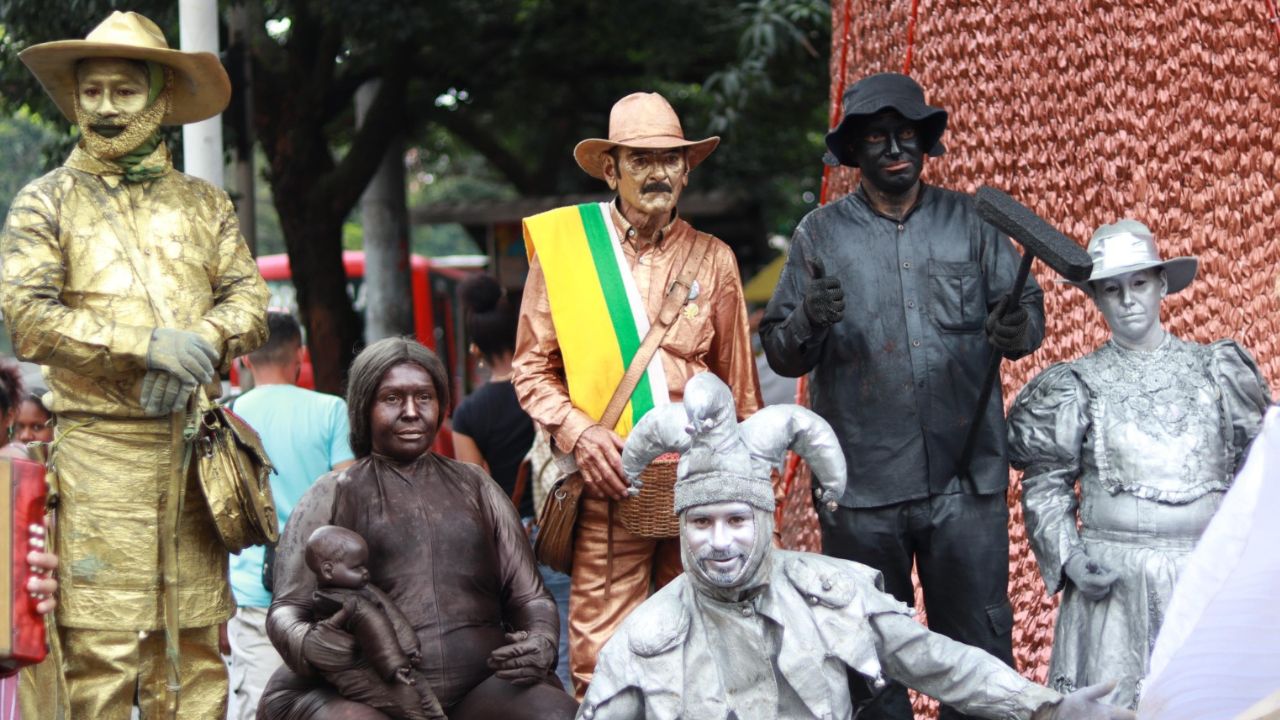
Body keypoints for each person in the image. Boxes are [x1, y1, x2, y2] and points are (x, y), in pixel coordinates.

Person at [580, 372, 1132, 720]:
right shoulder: (647, 638)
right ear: (681, 525)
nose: (719, 543)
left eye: (735, 519)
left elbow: (941, 663)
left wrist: (1049, 709)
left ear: (766, 518)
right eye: (701, 523)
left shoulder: (830, 595)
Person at [0, 11, 269, 717]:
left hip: (190, 463)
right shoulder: (47, 201)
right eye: (93, 91)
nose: (107, 107)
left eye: (124, 89)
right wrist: (143, 345)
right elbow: (27, 318)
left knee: (199, 658)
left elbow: (250, 299)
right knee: (102, 659)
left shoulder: (205, 204)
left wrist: (207, 338)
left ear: (160, 98)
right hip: (95, 458)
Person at [760, 71, 1044, 719]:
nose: (894, 149)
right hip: (861, 487)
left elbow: (1023, 312)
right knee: (867, 662)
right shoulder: (818, 236)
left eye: (906, 135)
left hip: (964, 479)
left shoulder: (971, 222)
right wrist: (810, 318)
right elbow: (781, 349)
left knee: (977, 649)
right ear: (852, 153)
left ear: (926, 144)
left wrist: (1016, 326)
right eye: (878, 138)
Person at [514, 91, 761, 697]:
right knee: (603, 658)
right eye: (641, 159)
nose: (659, 173)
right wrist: (582, 433)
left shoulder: (716, 259)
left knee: (714, 643)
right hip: (609, 479)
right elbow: (530, 370)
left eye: (671, 159)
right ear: (611, 168)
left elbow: (742, 393)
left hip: (700, 485)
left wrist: (749, 485)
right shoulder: (571, 254)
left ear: (686, 168)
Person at [1007, 220, 1270, 710]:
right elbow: (1047, 481)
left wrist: (1247, 562)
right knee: (1113, 709)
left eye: (1139, 283)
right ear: (1095, 299)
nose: (1127, 300)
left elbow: (1255, 472)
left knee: (1209, 703)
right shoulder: (1075, 385)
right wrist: (1070, 557)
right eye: (1111, 289)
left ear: (1162, 284)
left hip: (1205, 574)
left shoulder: (1218, 371)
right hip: (1113, 580)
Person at [259, 337, 577, 720]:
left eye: (424, 397)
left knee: (554, 714)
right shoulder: (331, 494)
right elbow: (286, 610)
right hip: (372, 692)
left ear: (441, 404)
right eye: (392, 399)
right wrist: (308, 643)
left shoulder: (477, 486)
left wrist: (541, 639)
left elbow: (531, 598)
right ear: (364, 407)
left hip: (484, 684)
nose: (411, 412)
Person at [226, 311, 354, 720]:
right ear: (299, 355)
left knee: (258, 706)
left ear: (245, 360)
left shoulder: (227, 417)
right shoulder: (331, 410)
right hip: (324, 593)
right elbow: (348, 495)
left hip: (252, 594)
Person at [452, 273, 573, 689]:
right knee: (578, 628)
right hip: (566, 526)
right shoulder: (552, 394)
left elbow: (476, 492)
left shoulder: (468, 415)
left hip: (513, 539)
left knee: (533, 635)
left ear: (477, 351)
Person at [304, 525, 446, 720]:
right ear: (328, 570)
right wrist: (394, 665)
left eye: (364, 565)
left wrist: (408, 646)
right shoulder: (335, 600)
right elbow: (373, 622)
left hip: (386, 666)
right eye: (356, 567)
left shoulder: (361, 589)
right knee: (408, 700)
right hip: (366, 672)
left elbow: (389, 612)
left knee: (420, 689)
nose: (365, 572)